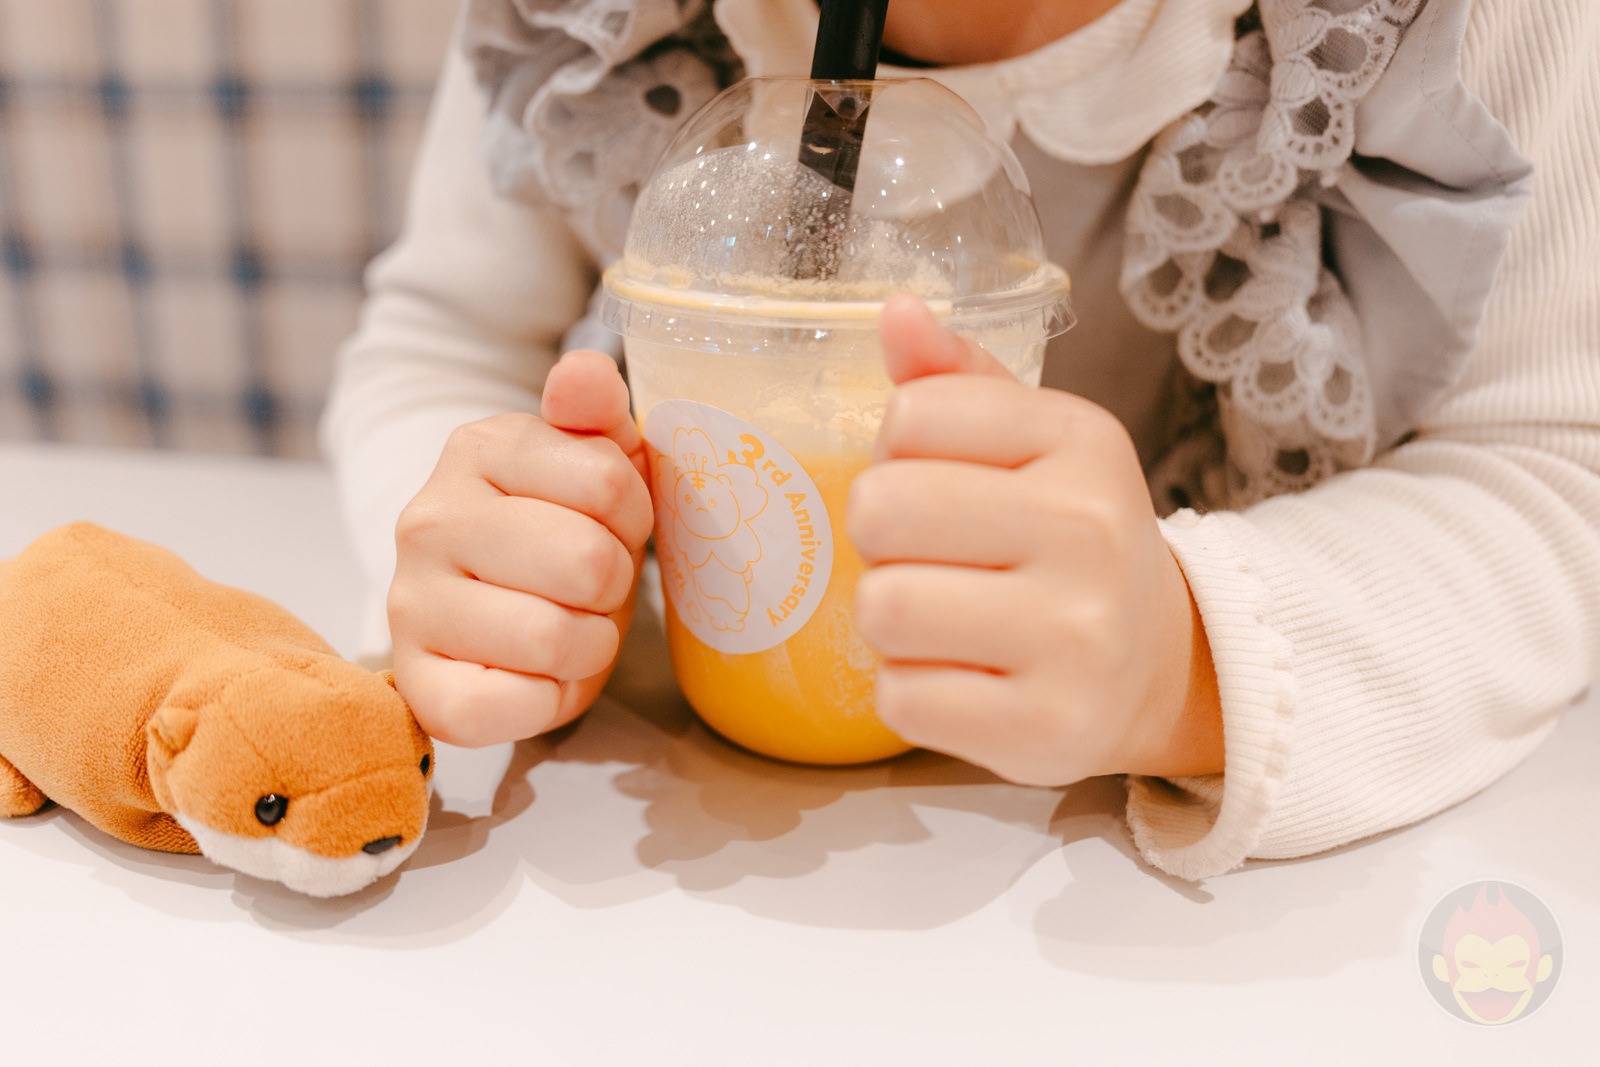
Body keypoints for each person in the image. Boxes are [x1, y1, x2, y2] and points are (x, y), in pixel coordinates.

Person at [320, 0, 1600, 879]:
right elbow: (447, 343)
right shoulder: (594, 25)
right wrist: (504, 577)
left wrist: (1186, 663)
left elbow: (1551, 474)